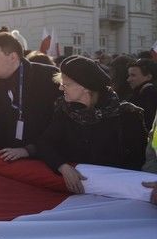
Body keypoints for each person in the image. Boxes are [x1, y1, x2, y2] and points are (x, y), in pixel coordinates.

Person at [36, 56, 146, 193]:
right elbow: (44, 143)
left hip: (116, 194)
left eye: (66, 84)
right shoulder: (64, 112)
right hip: (75, 194)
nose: (60, 87)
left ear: (86, 87)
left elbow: (137, 162)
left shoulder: (128, 116)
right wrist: (62, 166)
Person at [0, 30, 61, 161]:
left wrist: (30, 149)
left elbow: (62, 126)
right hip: (10, 163)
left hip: (48, 161)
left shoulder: (49, 77)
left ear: (13, 57)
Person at [126, 58, 157, 128]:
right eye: (129, 75)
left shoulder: (149, 95)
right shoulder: (141, 92)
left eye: (133, 75)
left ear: (148, 77)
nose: (128, 79)